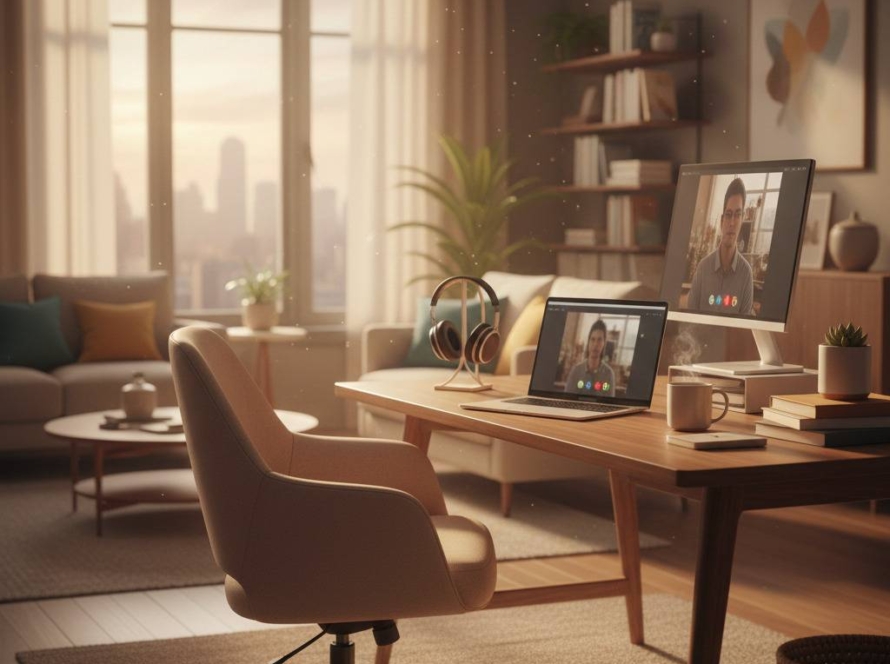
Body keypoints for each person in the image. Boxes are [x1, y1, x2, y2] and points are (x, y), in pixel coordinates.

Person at [686, 177, 754, 315]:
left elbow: (743, 330)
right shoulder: (703, 268)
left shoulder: (746, 274)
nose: (732, 223)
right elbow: (689, 322)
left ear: (742, 220)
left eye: (737, 215)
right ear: (722, 221)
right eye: (728, 215)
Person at [564, 319, 616, 396]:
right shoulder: (576, 371)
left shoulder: (609, 374)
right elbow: (566, 400)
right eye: (592, 339)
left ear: (604, 344)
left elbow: (609, 404)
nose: (595, 344)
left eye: (599, 340)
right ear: (588, 342)